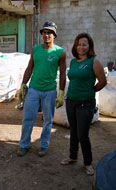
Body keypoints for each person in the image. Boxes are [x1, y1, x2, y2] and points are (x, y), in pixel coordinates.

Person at [17, 21, 66, 157]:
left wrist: (61, 92)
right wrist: (23, 84)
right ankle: (24, 145)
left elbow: (63, 74)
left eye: (49, 32)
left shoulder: (60, 52)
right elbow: (29, 68)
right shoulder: (35, 50)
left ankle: (44, 145)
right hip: (33, 89)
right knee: (27, 118)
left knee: (48, 120)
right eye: (44, 32)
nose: (46, 35)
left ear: (54, 35)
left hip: (49, 91)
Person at [60, 33, 107, 176]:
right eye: (79, 44)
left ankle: (88, 163)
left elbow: (102, 81)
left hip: (85, 104)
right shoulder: (73, 62)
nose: (81, 47)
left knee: (83, 135)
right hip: (71, 101)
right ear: (76, 46)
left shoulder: (94, 61)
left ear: (89, 46)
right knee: (73, 132)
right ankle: (72, 156)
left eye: (84, 44)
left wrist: (90, 91)